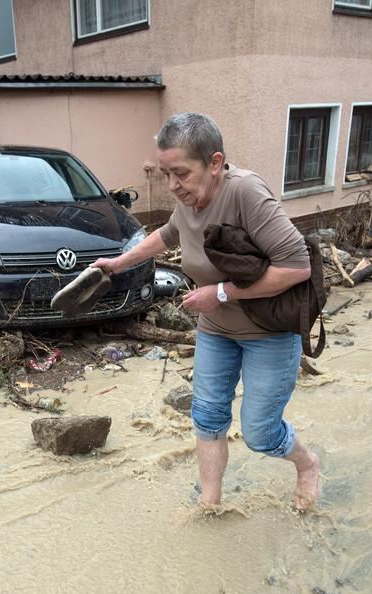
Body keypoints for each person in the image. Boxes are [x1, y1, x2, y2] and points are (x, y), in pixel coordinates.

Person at [93, 112, 321, 511]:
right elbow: (169, 234)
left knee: (261, 434)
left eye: (180, 173)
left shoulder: (245, 193)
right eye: (165, 174)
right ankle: (210, 503)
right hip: (216, 331)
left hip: (269, 333)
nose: (172, 185)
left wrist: (218, 293)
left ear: (214, 162)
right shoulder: (189, 199)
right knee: (207, 417)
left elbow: (297, 267)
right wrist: (119, 263)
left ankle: (307, 465)